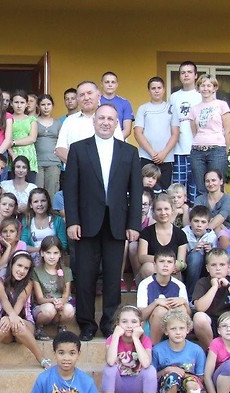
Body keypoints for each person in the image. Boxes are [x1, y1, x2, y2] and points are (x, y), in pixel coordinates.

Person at [64, 103, 143, 341]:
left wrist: (134, 224)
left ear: (116, 123)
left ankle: (109, 323)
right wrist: (72, 221)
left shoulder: (129, 152)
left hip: (117, 223)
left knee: (112, 277)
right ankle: (86, 324)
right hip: (86, 223)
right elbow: (70, 188)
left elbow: (136, 191)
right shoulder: (78, 149)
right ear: (94, 121)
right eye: (101, 118)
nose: (106, 122)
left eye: (110, 119)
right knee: (85, 276)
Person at [102, 305, 157, 393]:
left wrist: (136, 339)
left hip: (138, 388)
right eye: (124, 321)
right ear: (117, 324)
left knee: (150, 370)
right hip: (118, 387)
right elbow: (110, 361)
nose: (129, 325)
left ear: (141, 325)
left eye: (133, 322)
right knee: (109, 369)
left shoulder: (145, 340)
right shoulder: (112, 339)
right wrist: (115, 336)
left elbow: (146, 363)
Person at [152, 310, 206, 393]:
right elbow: (152, 377)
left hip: (187, 389)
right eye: (173, 328)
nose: (178, 332)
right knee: (172, 377)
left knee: (193, 384)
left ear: (188, 330)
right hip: (164, 389)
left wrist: (183, 375)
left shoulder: (196, 350)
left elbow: (200, 377)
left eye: (181, 328)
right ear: (166, 331)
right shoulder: (157, 350)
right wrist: (167, 370)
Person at [55, 81, 123, 165]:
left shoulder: (109, 119)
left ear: (99, 95)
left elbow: (119, 147)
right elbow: (60, 149)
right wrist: (80, 166)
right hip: (76, 171)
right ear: (77, 99)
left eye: (89, 93)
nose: (86, 98)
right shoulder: (69, 121)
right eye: (82, 95)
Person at [186, 74, 230, 194]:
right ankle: (203, 208)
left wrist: (225, 149)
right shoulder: (194, 109)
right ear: (198, 88)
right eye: (202, 85)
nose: (205, 88)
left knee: (217, 187)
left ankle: (219, 208)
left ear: (214, 88)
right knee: (201, 188)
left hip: (217, 150)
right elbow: (194, 131)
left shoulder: (221, 105)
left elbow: (228, 130)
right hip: (197, 152)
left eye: (209, 85)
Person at [136, 248, 191, 346]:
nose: (165, 265)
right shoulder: (145, 284)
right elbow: (141, 316)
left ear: (174, 267)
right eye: (161, 261)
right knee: (160, 310)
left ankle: (179, 346)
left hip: (173, 325)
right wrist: (155, 303)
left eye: (169, 262)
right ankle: (153, 347)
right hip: (150, 325)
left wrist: (184, 302)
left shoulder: (179, 285)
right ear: (154, 265)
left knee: (182, 307)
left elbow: (188, 315)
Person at [134, 76, 179, 192]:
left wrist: (163, 154)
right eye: (153, 88)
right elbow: (138, 133)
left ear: (164, 90)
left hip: (166, 158)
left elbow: (175, 134)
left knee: (163, 192)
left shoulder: (171, 108)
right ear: (149, 91)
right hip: (146, 157)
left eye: (159, 88)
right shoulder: (143, 109)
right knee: (145, 191)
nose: (156, 91)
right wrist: (152, 153)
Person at [169, 61, 202, 203]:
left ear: (195, 75)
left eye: (189, 72)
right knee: (177, 191)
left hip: (198, 150)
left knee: (196, 190)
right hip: (178, 150)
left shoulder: (201, 95)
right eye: (183, 72)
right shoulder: (174, 97)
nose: (186, 75)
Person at [31, 236, 75, 340]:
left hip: (60, 305)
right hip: (43, 307)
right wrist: (53, 301)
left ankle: (61, 326)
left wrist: (61, 302)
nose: (52, 257)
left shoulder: (66, 271)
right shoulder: (36, 271)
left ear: (60, 254)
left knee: (69, 310)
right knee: (49, 309)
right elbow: (40, 299)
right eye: (48, 253)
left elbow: (66, 295)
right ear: (42, 253)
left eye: (55, 253)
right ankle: (39, 327)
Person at [137, 194, 188, 281]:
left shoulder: (180, 234)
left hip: (172, 271)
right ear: (153, 212)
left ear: (172, 210)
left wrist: (179, 265)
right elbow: (141, 257)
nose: (163, 213)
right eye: (159, 209)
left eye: (166, 209)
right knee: (148, 267)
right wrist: (163, 261)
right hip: (152, 270)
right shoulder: (146, 232)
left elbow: (182, 262)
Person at [0, 217, 27, 307]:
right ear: (0, 234)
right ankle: (1, 307)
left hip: (15, 282)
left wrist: (8, 266)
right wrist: (8, 248)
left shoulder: (22, 245)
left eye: (12, 231)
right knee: (3, 271)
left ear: (17, 234)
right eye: (5, 231)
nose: (8, 234)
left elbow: (22, 265)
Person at [21, 187, 68, 261]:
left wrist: (49, 252)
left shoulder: (57, 220)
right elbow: (23, 245)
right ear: (30, 205)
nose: (40, 204)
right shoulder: (27, 221)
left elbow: (63, 244)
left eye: (43, 201)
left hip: (53, 259)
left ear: (48, 202)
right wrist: (39, 250)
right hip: (32, 260)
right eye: (36, 201)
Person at [182, 204, 217, 296]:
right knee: (195, 256)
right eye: (196, 221)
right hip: (187, 268)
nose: (199, 225)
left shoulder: (211, 236)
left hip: (204, 269)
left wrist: (210, 251)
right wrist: (192, 250)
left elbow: (216, 258)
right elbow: (180, 256)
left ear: (208, 224)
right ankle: (190, 295)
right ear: (190, 221)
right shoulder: (184, 233)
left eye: (203, 222)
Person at [35, 94, 62, 199]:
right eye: (43, 105)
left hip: (53, 162)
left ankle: (52, 211)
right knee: (37, 193)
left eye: (48, 104)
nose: (46, 107)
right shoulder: (33, 121)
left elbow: (62, 143)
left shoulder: (58, 123)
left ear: (52, 105)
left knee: (52, 193)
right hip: (36, 162)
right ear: (38, 106)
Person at [8, 90, 38, 181]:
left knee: (30, 187)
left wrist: (13, 142)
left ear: (26, 104)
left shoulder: (31, 119)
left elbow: (32, 138)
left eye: (22, 102)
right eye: (16, 102)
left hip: (29, 157)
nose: (19, 105)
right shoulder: (7, 119)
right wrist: (13, 155)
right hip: (13, 156)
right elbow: (5, 139)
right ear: (11, 103)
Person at [193, 169, 230, 234]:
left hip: (225, 233)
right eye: (207, 181)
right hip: (202, 231)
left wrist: (207, 231)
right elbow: (197, 216)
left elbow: (222, 216)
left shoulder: (228, 198)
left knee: (218, 227)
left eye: (213, 180)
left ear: (221, 181)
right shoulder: (199, 199)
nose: (210, 184)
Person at [100, 71, 134, 139]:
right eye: (107, 82)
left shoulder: (125, 103)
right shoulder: (95, 101)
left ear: (117, 84)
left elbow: (127, 130)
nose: (110, 85)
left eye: (113, 82)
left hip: (119, 141)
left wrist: (114, 142)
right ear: (101, 84)